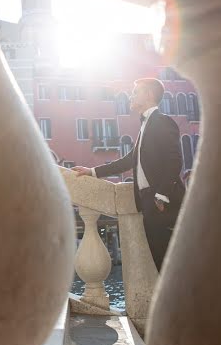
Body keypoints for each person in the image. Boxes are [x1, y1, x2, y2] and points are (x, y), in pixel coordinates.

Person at [73, 78, 184, 270]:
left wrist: (161, 195)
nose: (130, 97)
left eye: (135, 93)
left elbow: (175, 160)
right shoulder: (145, 126)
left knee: (172, 265)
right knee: (162, 264)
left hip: (163, 204)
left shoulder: (163, 122)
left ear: (148, 95)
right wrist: (92, 171)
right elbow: (128, 161)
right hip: (148, 202)